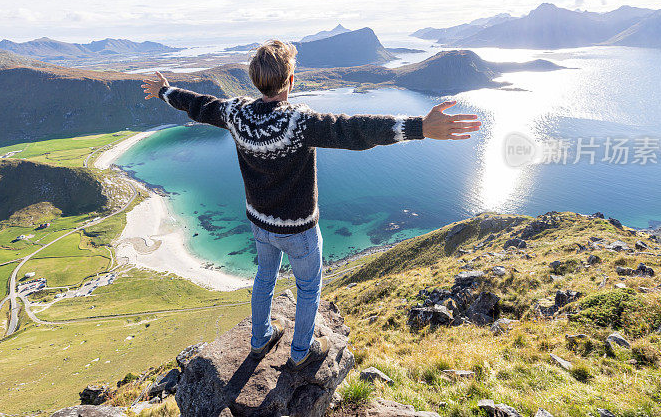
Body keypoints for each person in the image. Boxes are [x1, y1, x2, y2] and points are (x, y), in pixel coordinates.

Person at [142, 40, 480, 370]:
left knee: (264, 277)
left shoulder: (236, 113)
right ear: (291, 80)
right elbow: (355, 131)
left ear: (255, 81)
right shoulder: (299, 123)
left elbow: (200, 105)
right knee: (308, 288)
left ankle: (259, 339)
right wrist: (419, 127)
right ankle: (301, 351)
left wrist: (165, 91)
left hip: (259, 223)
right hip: (299, 231)